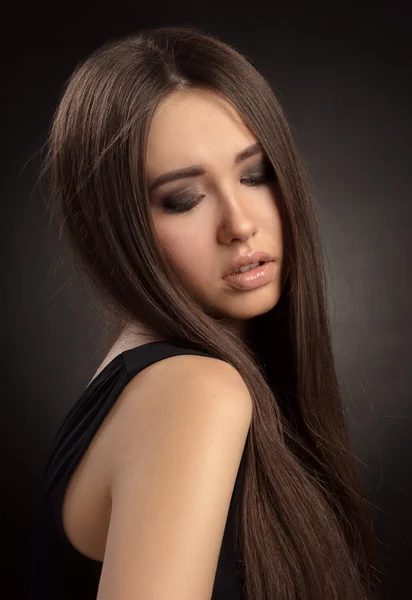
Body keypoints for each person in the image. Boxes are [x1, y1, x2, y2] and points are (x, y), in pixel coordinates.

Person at [29, 25, 383, 600]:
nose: (240, 224)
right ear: (115, 229)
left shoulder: (142, 374)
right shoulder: (195, 390)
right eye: (183, 200)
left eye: (255, 173)